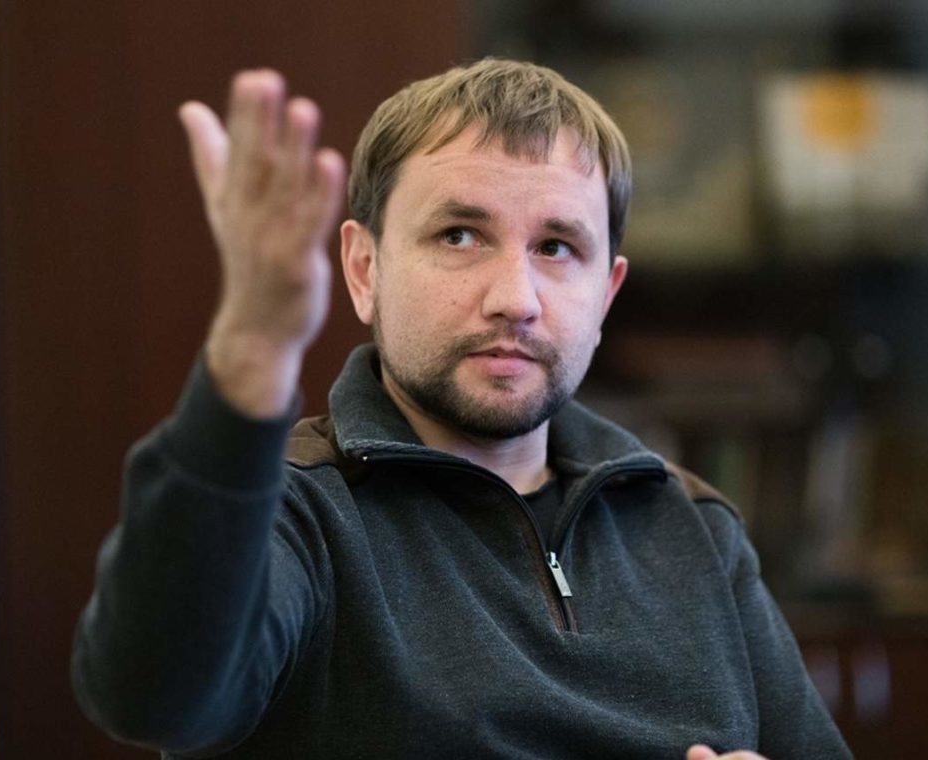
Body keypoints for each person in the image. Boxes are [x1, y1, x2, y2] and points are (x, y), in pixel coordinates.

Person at [71, 59, 851, 759]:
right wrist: (250, 350)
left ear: (605, 293)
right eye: (459, 235)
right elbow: (151, 696)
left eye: (556, 248)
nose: (515, 299)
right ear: (364, 269)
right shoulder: (290, 514)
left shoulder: (690, 524)